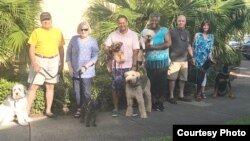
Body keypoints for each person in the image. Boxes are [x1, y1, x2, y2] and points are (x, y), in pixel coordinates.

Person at [27, 12, 65, 118]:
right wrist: (34, 63)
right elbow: (31, 48)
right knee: (33, 86)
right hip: (39, 59)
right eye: (44, 20)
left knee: (50, 86)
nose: (46, 21)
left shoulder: (58, 32)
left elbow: (61, 48)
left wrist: (61, 62)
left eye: (48, 19)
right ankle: (26, 111)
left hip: (53, 60)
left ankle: (48, 111)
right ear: (41, 21)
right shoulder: (36, 32)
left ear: (51, 20)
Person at [103, 15, 140, 117]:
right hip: (116, 67)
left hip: (129, 66)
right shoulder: (113, 35)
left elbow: (135, 51)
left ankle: (130, 108)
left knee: (131, 87)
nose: (122, 25)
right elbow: (105, 47)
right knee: (115, 87)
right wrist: (111, 53)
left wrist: (134, 65)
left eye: (123, 22)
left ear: (127, 22)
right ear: (117, 24)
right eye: (120, 23)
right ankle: (115, 108)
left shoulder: (133, 35)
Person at [66, 21, 99, 118]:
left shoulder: (93, 41)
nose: (84, 31)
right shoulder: (74, 39)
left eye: (86, 29)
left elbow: (95, 56)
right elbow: (68, 54)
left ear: (89, 30)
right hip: (75, 71)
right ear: (79, 30)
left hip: (87, 71)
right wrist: (70, 68)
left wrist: (85, 66)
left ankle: (88, 110)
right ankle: (79, 109)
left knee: (86, 93)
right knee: (77, 92)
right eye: (82, 29)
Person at [143, 12, 172, 111]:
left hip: (162, 62)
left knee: (162, 83)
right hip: (150, 62)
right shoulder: (145, 31)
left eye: (156, 20)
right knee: (152, 83)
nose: (154, 22)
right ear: (149, 20)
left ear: (159, 21)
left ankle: (161, 102)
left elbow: (168, 43)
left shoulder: (164, 30)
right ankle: (154, 102)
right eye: (152, 20)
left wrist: (154, 47)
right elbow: (144, 46)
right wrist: (146, 45)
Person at [168, 15, 194, 104]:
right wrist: (168, 58)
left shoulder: (187, 33)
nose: (181, 22)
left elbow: (189, 46)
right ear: (177, 21)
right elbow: (167, 45)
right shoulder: (172, 32)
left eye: (183, 21)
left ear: (185, 22)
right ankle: (171, 96)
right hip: (174, 60)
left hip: (184, 60)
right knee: (172, 79)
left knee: (183, 79)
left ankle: (181, 95)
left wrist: (192, 56)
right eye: (179, 21)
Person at [192, 20, 214, 101]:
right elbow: (193, 46)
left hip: (206, 60)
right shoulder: (197, 35)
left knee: (204, 76)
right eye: (204, 25)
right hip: (197, 58)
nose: (205, 27)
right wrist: (193, 58)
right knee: (198, 76)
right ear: (202, 26)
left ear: (209, 26)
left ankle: (202, 92)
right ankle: (197, 92)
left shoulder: (211, 36)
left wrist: (211, 58)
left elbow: (211, 48)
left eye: (207, 25)